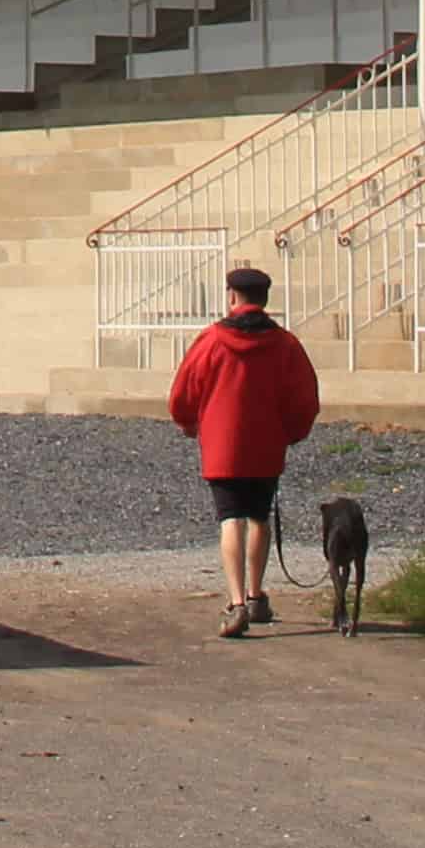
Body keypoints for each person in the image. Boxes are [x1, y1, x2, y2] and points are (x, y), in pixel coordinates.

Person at [165, 265, 324, 640]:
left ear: (232, 297)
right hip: (267, 444)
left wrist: (188, 423)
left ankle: (235, 603)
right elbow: (305, 398)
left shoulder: (212, 341)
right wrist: (292, 433)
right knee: (259, 517)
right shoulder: (286, 345)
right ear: (264, 299)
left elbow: (184, 391)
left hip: (222, 446)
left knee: (229, 518)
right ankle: (256, 594)